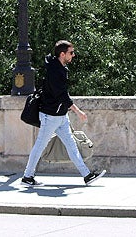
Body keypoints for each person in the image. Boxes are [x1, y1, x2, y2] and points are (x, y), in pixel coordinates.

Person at [21, 40, 106, 187]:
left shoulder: (59, 68)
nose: (73, 55)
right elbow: (61, 95)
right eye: (71, 53)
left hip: (60, 116)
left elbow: (62, 95)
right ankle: (27, 176)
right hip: (50, 116)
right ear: (62, 54)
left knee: (71, 145)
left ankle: (87, 175)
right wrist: (78, 111)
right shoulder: (55, 71)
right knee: (40, 146)